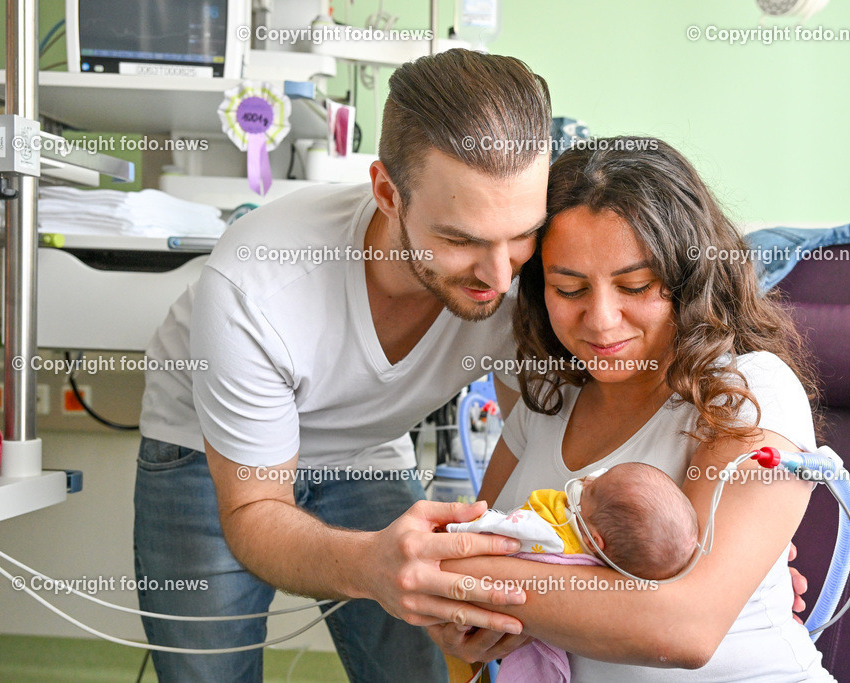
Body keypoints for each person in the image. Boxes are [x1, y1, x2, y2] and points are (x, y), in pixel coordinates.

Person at [133, 49, 552, 682]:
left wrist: (491, 564)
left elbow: (531, 441)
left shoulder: (536, 278)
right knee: (207, 672)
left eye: (520, 234)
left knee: (415, 671)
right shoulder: (257, 284)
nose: (499, 276)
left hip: (363, 446)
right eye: (461, 239)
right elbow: (252, 512)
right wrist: (371, 566)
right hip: (207, 449)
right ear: (387, 192)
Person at [429, 136, 835, 680]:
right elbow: (462, 572)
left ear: (689, 278)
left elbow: (682, 629)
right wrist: (468, 619)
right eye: (569, 289)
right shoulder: (548, 403)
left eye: (636, 285)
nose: (600, 320)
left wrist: (478, 582)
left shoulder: (746, 391)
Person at [447, 461, 699, 580]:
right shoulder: (600, 556)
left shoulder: (549, 538)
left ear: (594, 541)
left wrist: (453, 528)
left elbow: (489, 531)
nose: (588, 480)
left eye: (590, 491)